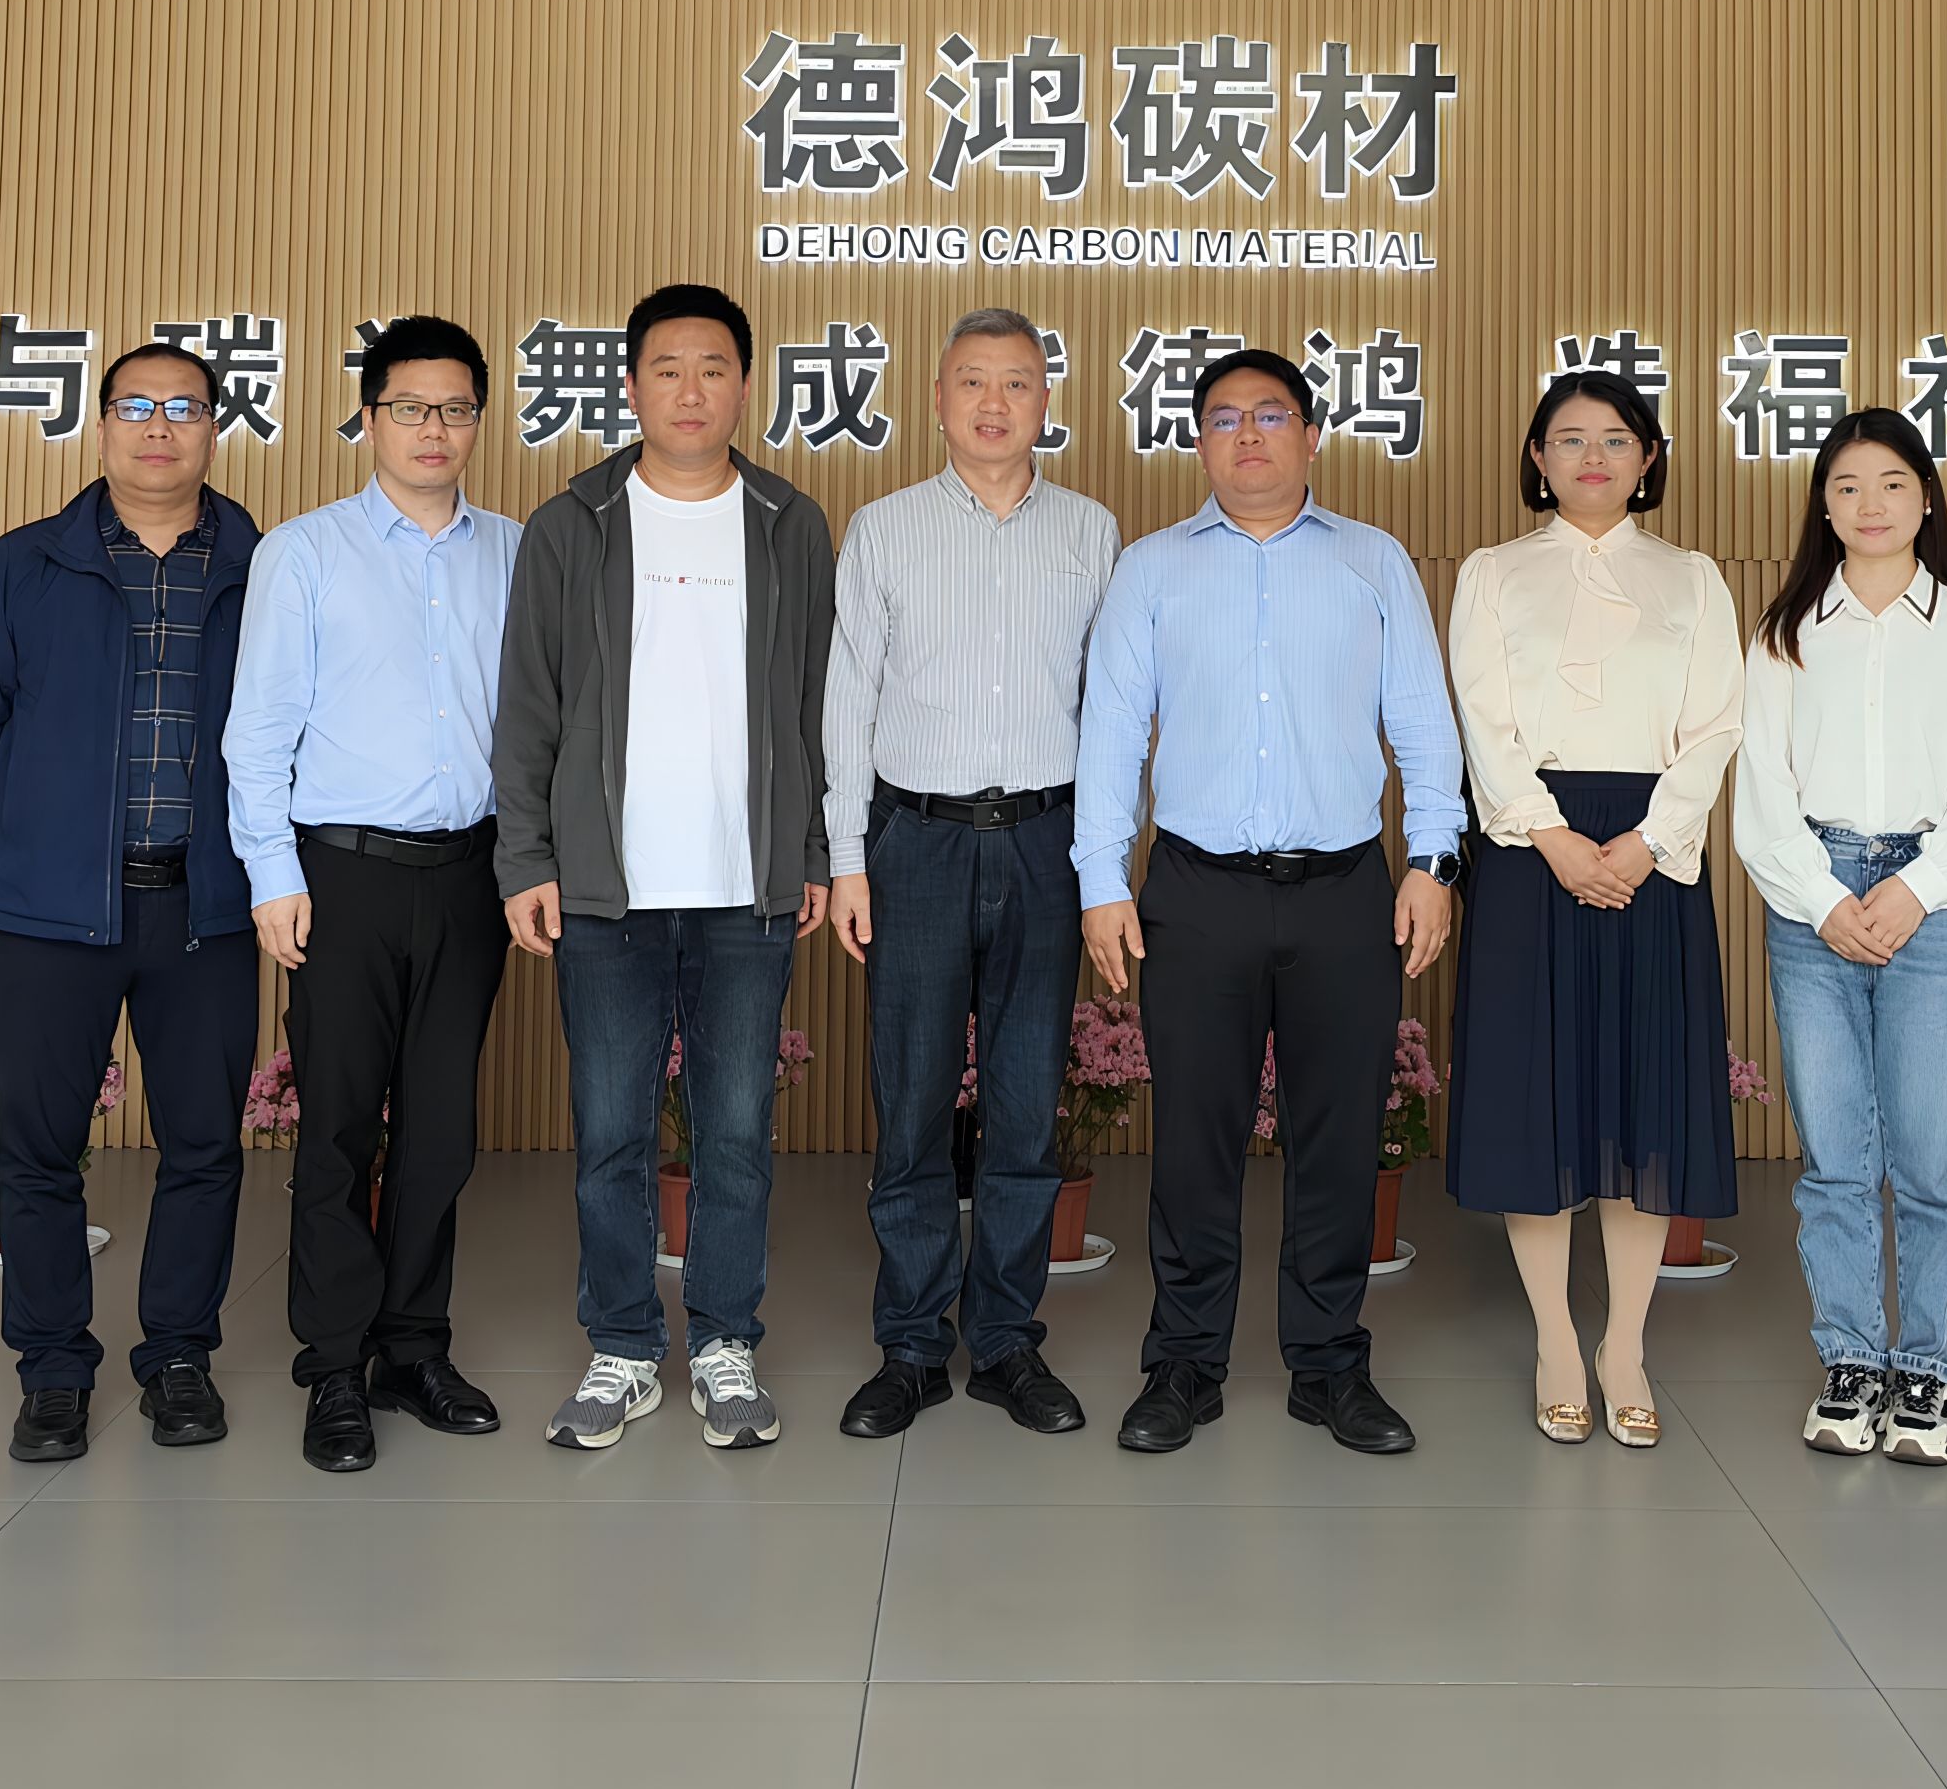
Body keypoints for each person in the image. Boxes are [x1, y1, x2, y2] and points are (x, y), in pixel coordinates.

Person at [1074, 347, 1463, 1458]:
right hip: (1195, 891)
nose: (1247, 434)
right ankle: (1183, 1365)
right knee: (1192, 1142)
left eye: (1271, 414)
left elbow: (1422, 721)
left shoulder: (1371, 561)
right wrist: (1102, 882)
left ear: (1312, 436)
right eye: (1224, 417)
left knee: (1337, 1139)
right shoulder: (1152, 568)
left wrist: (1433, 861)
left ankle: (1329, 1365)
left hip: (1345, 891)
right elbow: (1111, 730)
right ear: (1199, 441)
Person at [494, 284, 837, 1454]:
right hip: (607, 892)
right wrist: (525, 859)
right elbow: (528, 709)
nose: (691, 390)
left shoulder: (790, 522)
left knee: (735, 1130)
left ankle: (727, 1341)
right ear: (632, 386)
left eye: (713, 368)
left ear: (745, 386)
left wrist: (813, 853)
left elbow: (817, 705)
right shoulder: (572, 524)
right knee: (610, 1131)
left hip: (747, 890)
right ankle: (624, 1348)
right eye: (667, 368)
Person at [0, 342, 262, 1465]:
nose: (159, 426)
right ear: (102, 422)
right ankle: (52, 1369)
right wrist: (49, 826)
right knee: (40, 1148)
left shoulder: (265, 566)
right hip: (54, 907)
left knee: (204, 1143)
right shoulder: (24, 564)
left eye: (184, 407)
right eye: (136, 405)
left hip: (207, 905)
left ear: (216, 426)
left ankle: (178, 1356)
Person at [226, 317, 520, 1474]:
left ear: (478, 421)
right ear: (368, 417)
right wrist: (273, 874)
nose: (432, 428)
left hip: (470, 876)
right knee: (340, 1128)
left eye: (454, 408)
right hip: (339, 876)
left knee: (441, 1132)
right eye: (409, 407)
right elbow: (258, 731)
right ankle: (334, 1365)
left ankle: (413, 1346)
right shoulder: (304, 553)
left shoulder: (515, 553)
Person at [824, 309, 1118, 1442]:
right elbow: (845, 707)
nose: (995, 403)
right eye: (972, 383)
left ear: (1047, 401)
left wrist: (1104, 864)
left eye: (1018, 383)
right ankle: (908, 1345)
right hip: (917, 841)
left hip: (1046, 841)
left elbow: (1113, 712)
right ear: (937, 400)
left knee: (1025, 1105)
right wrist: (849, 859)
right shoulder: (885, 529)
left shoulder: (1091, 531)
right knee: (909, 1105)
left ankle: (1003, 1342)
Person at [1441, 370, 1745, 1450]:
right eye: (1568, 439)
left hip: (1651, 852)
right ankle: (1556, 1344)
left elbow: (1717, 725)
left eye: (1616, 439)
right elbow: (1481, 719)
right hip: (1533, 851)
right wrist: (1553, 838)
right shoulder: (1491, 574)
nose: (1592, 458)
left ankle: (1625, 1346)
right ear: (1536, 458)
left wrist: (1649, 844)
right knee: (1542, 1098)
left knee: (1638, 1102)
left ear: (1649, 458)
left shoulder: (1693, 578)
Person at [1732, 406, 1947, 1468]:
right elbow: (1762, 795)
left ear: (1927, 499)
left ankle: (1928, 1375)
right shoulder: (1783, 634)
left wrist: (1914, 890)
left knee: (1934, 1157)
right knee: (1836, 1158)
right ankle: (1851, 1361)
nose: (1870, 505)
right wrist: (1824, 900)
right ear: (1822, 504)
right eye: (1847, 486)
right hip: (1812, 902)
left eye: (1892, 484)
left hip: (1937, 907)